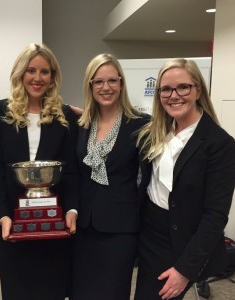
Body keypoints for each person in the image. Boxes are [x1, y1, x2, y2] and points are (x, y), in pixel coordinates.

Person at [134, 58, 235, 300]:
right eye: (166, 89)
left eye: (183, 87)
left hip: (182, 243)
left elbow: (216, 214)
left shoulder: (218, 143)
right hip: (150, 235)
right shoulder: (156, 132)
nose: (174, 95)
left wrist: (185, 270)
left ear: (198, 90)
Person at [0, 43, 79, 300]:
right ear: (20, 73)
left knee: (52, 288)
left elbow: (71, 172)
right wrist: (2, 215)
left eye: (45, 72)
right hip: (11, 221)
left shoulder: (65, 115)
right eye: (31, 70)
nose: (38, 78)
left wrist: (71, 210)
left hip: (53, 219)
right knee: (18, 289)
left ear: (53, 76)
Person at [71, 53, 150, 300]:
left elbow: (147, 180)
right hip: (83, 226)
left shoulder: (141, 125)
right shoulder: (81, 124)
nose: (106, 87)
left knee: (113, 291)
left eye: (112, 81)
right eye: (98, 82)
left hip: (120, 228)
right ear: (90, 86)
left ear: (121, 84)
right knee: (81, 291)